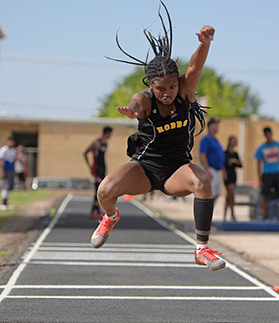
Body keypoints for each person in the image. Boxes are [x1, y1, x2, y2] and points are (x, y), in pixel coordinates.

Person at [89, 2, 225, 271]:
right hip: (145, 168)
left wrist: (205, 43)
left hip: (176, 169)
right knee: (104, 189)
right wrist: (132, 112)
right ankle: (110, 217)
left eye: (172, 86)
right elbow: (136, 102)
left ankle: (201, 249)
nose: (168, 92)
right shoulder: (144, 99)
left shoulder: (185, 91)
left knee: (203, 182)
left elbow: (195, 67)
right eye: (161, 88)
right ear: (150, 85)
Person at [254, 126, 279, 220]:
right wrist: (260, 179)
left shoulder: (278, 145)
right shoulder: (261, 148)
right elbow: (258, 164)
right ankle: (266, 215)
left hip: (276, 172)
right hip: (267, 173)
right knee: (266, 195)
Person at [83, 126, 113, 219]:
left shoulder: (106, 144)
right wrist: (89, 166)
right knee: (98, 189)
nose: (111, 136)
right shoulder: (96, 143)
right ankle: (93, 211)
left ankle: (97, 210)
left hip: (102, 168)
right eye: (110, 134)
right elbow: (85, 152)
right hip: (96, 169)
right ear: (107, 133)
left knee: (101, 189)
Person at [199, 118, 225, 203]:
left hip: (217, 170)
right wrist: (207, 170)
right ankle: (205, 214)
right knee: (210, 194)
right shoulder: (206, 139)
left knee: (217, 193)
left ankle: (209, 213)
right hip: (210, 169)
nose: (217, 126)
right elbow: (203, 154)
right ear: (210, 126)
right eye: (215, 124)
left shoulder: (215, 140)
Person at [223, 136, 242, 222]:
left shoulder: (235, 154)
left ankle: (227, 215)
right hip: (227, 176)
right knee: (230, 194)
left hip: (233, 176)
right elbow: (223, 164)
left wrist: (237, 162)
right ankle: (232, 214)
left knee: (229, 196)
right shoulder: (225, 153)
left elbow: (240, 165)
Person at [0, 136, 16, 210]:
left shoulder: (13, 150)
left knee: (9, 186)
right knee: (5, 185)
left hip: (11, 169)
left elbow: (14, 160)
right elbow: (1, 161)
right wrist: (2, 171)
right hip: (6, 169)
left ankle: (6, 201)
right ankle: (3, 202)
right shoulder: (4, 150)